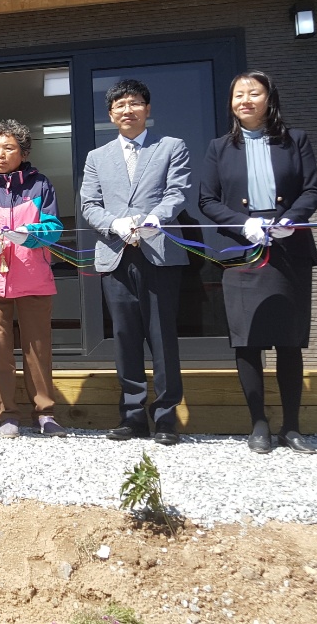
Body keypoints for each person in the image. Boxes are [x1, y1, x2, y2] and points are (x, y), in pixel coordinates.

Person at [199, 71, 317, 454]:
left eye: (254, 93)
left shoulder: (295, 140)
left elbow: (311, 190)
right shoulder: (219, 147)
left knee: (289, 340)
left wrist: (292, 220)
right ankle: (258, 425)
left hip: (289, 248)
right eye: (239, 94)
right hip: (243, 249)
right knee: (247, 340)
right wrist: (243, 224)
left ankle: (292, 427)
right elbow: (207, 200)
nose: (245, 100)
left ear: (270, 98)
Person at [79, 80, 192, 446]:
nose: (127, 110)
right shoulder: (97, 157)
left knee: (162, 337)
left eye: (135, 103)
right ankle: (132, 418)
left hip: (158, 252)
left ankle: (166, 418)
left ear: (147, 109)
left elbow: (177, 191)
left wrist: (153, 219)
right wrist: (114, 224)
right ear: (111, 114)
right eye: (120, 105)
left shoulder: (171, 147)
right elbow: (89, 205)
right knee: (125, 338)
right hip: (115, 254)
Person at [0, 120, 66, 438]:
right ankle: (7, 415)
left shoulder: (41, 185)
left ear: (24, 152)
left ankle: (45, 413)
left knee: (38, 350)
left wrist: (28, 233)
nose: (0, 154)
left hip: (33, 277)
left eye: (8, 148)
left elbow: (54, 227)